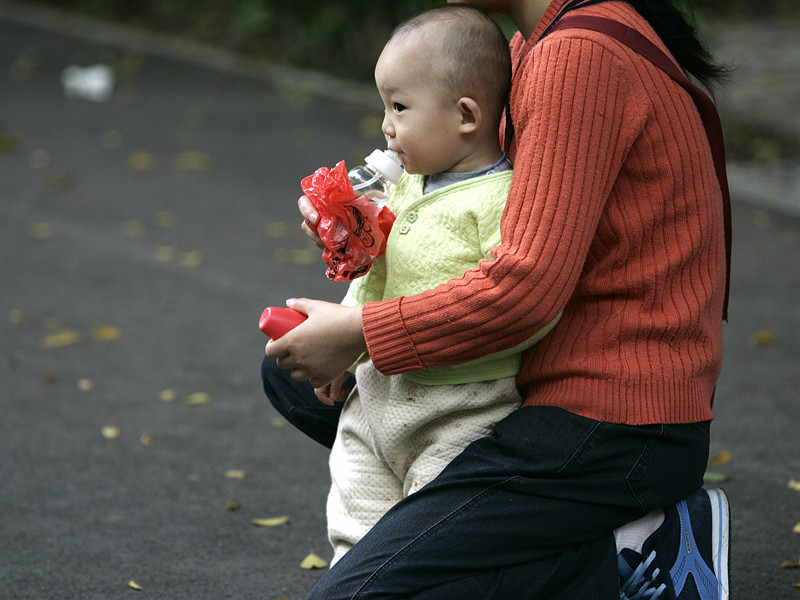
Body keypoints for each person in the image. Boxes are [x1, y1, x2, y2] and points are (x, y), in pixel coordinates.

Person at [262, 0, 732, 597]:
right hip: (536, 377)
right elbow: (451, 217)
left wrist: (359, 333)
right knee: (292, 367)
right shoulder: (530, 46)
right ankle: (505, 530)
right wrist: (361, 224)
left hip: (608, 420)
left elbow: (522, 292)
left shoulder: (577, 55)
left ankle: (637, 548)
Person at [317, 5, 561, 567]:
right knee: (355, 521)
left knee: (426, 540)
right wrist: (343, 346)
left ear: (467, 116)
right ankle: (354, 575)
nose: (385, 125)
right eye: (384, 106)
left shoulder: (500, 199)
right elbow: (375, 277)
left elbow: (509, 298)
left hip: (460, 409)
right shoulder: (407, 189)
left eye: (399, 107)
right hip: (378, 398)